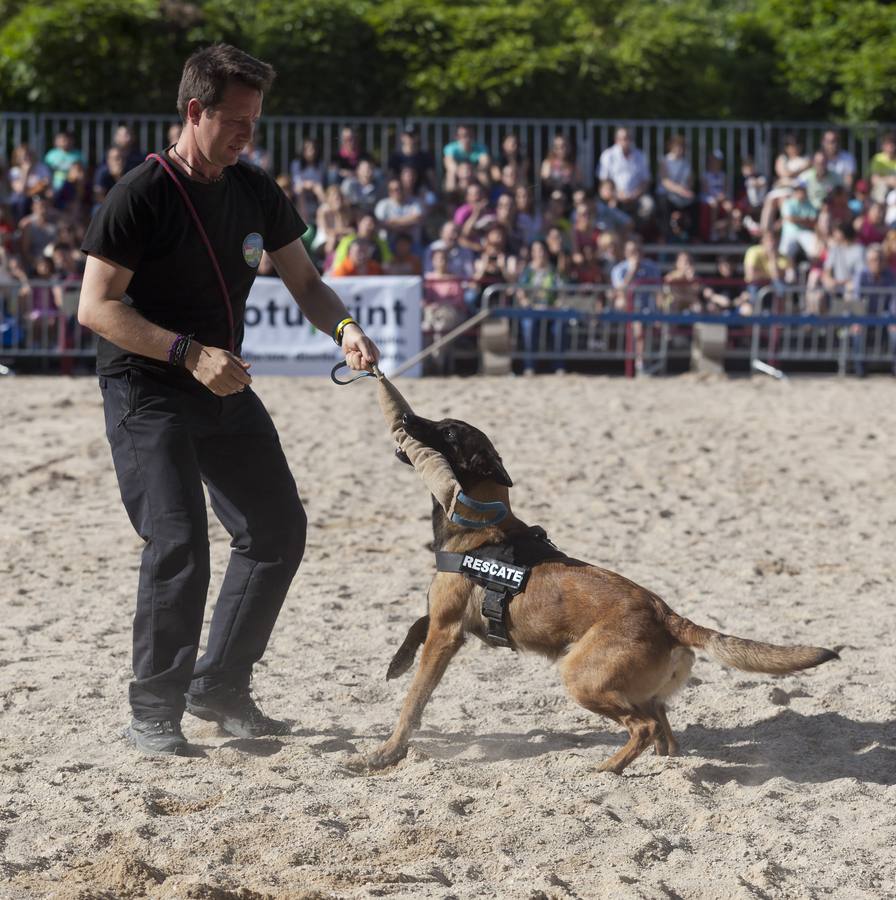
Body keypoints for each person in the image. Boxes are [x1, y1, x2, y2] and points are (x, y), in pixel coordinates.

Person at [77, 44, 380, 757]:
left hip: (224, 383)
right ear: (194, 111)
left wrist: (344, 327)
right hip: (147, 387)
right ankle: (153, 708)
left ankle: (219, 685)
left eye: (254, 122)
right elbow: (95, 307)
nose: (248, 136)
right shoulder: (139, 194)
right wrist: (186, 352)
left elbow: (305, 282)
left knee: (277, 531)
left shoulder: (254, 188)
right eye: (236, 122)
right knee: (179, 543)